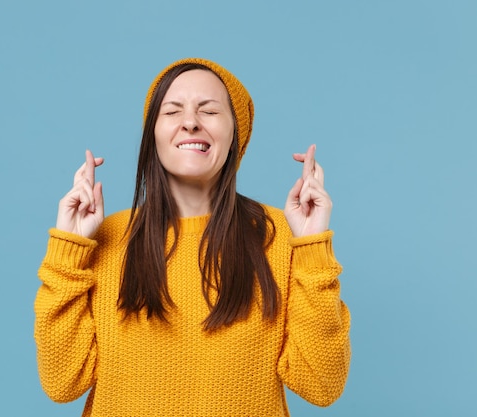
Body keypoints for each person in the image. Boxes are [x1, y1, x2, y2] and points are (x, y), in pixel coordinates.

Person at [34, 57, 351, 417]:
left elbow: (321, 386)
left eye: (209, 111)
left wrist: (311, 247)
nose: (190, 123)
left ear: (236, 133)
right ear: (153, 133)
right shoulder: (105, 238)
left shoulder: (280, 236)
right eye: (172, 112)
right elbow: (62, 384)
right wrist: (68, 251)